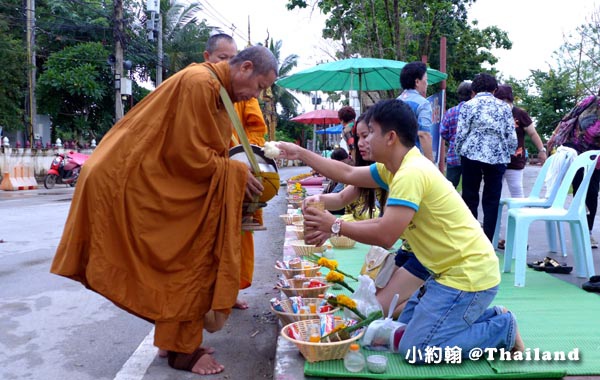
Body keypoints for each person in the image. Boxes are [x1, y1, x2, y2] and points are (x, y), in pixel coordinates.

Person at [50, 45, 278, 375]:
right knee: (186, 260)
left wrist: (233, 171)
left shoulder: (218, 91)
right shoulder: (201, 83)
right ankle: (182, 351)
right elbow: (188, 155)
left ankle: (175, 340)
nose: (255, 96)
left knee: (187, 259)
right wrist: (236, 173)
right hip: (127, 181)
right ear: (244, 68)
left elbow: (202, 149)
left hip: (147, 177)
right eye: (258, 86)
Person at [275, 99, 524, 362]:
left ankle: (502, 328)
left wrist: (335, 225)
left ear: (391, 137)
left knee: (416, 350)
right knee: (400, 329)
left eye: (370, 132)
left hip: (467, 277)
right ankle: (489, 317)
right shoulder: (393, 168)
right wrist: (299, 153)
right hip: (443, 275)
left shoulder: (410, 173)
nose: (364, 140)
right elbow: (347, 172)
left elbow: (386, 235)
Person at [203, 33, 269, 310]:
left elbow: (256, 130)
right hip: (212, 173)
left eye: (233, 58)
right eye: (223, 59)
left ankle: (229, 291)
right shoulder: (201, 85)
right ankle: (205, 298)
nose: (229, 64)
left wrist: (243, 155)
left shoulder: (242, 94)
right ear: (208, 58)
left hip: (236, 167)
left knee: (237, 236)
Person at [455, 73, 517, 241]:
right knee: (492, 198)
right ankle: (488, 240)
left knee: (469, 195)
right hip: (497, 155)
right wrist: (509, 151)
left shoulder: (468, 106)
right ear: (495, 90)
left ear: (473, 90)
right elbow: (511, 136)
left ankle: (469, 238)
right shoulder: (504, 107)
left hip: (471, 153)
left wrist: (459, 150)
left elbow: (461, 133)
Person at [397, 61, 433, 162]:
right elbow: (424, 134)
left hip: (395, 158)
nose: (427, 83)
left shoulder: (395, 102)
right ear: (417, 82)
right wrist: (431, 164)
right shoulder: (423, 104)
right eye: (426, 80)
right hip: (414, 159)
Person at [440, 81, 471, 188]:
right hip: (471, 156)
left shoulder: (450, 112)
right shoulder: (475, 112)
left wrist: (453, 139)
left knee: (449, 189)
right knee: (470, 189)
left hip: (453, 155)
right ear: (472, 94)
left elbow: (443, 132)